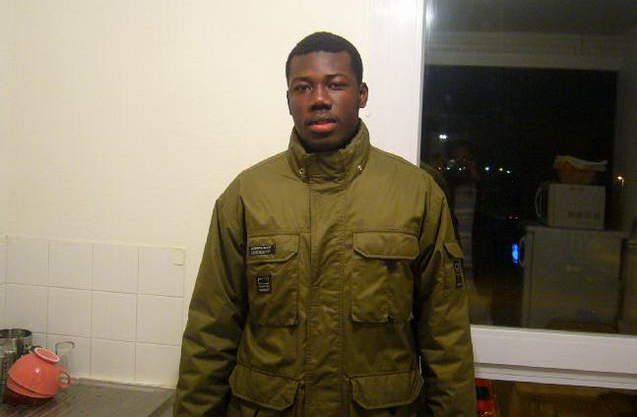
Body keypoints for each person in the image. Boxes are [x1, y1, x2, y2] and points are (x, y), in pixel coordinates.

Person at [175, 32, 476, 416]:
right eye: (303, 87)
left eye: (335, 84)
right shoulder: (247, 196)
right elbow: (210, 332)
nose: (318, 99)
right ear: (288, 100)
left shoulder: (417, 194)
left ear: (362, 94)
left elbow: (446, 336)